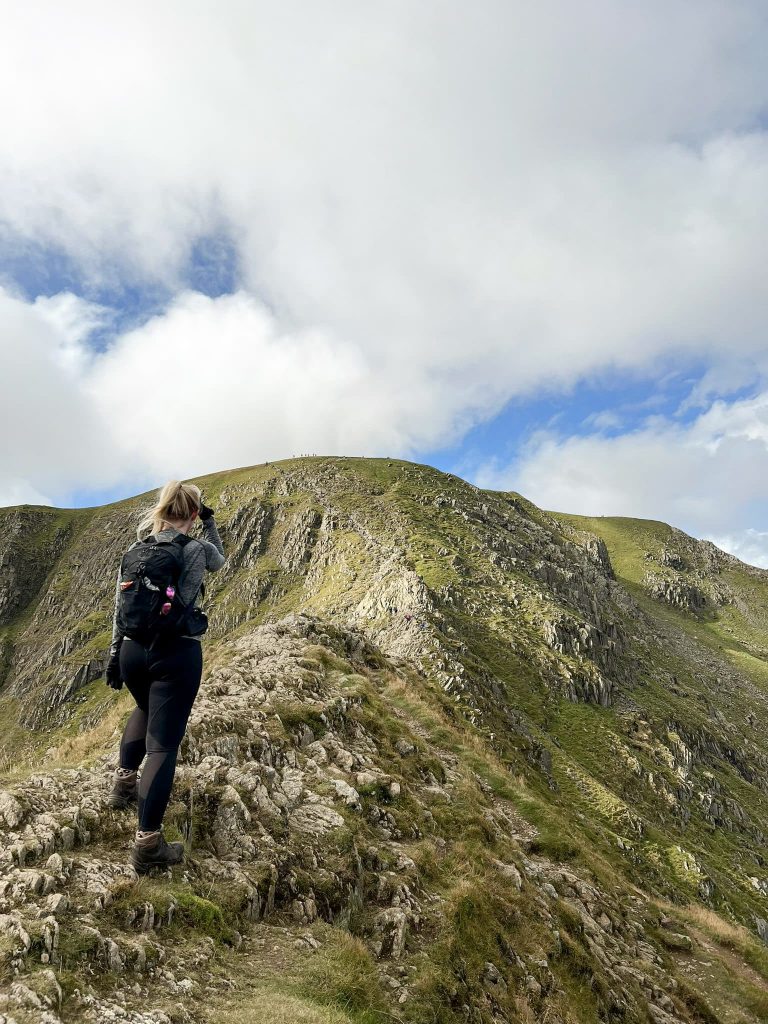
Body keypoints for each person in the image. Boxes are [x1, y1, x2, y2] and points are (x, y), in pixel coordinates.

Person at [104, 480, 226, 873]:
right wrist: (210, 525)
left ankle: (123, 785)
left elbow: (119, 608)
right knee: (163, 746)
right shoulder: (194, 550)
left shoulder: (136, 550)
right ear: (193, 513)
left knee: (143, 705)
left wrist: (114, 654)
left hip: (131, 650)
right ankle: (148, 845)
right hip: (175, 651)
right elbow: (215, 565)